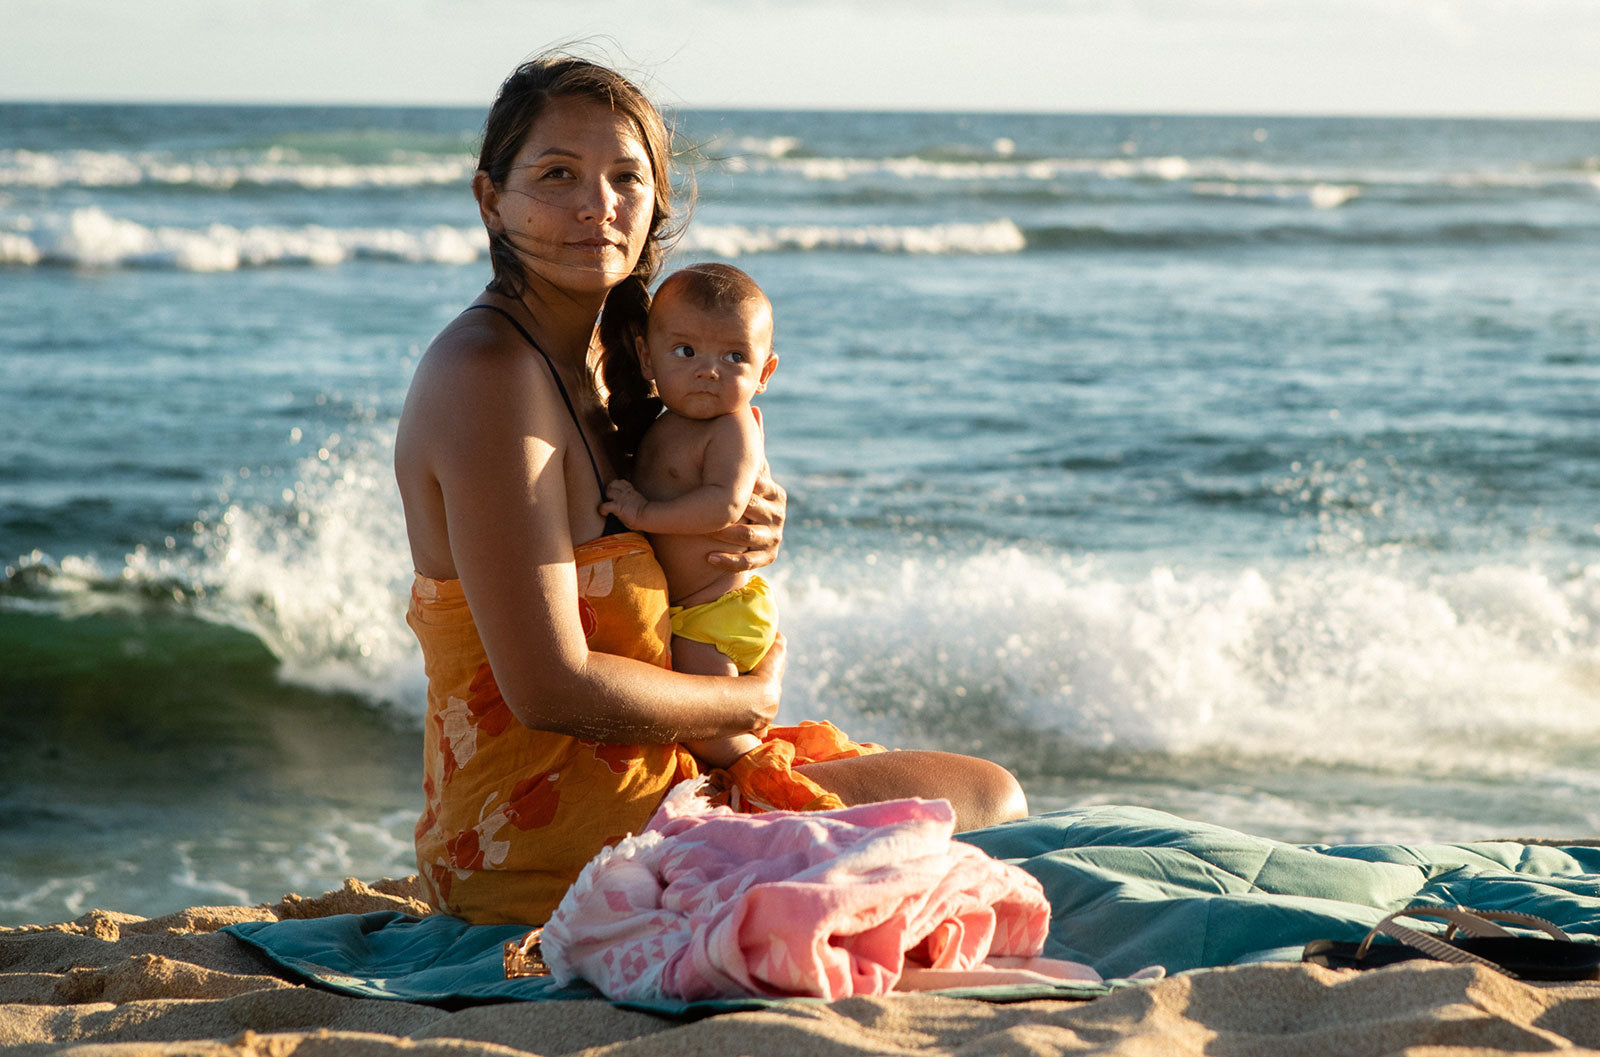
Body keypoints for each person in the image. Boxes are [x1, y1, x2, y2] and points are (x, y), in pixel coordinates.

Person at [393, 53, 1028, 926]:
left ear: (657, 200)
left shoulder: (620, 367)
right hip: (542, 838)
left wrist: (738, 524)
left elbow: (652, 551)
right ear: (489, 199)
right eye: (557, 175)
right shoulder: (489, 373)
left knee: (985, 798)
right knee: (987, 804)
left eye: (626, 177)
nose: (597, 204)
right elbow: (547, 686)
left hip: (660, 774)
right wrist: (750, 699)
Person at [599, 263, 780, 770]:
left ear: (764, 373)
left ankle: (766, 787)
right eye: (686, 352)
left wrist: (644, 513)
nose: (709, 370)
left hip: (714, 613)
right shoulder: (667, 423)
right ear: (647, 358)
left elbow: (723, 505)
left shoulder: (732, 428)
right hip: (695, 610)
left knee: (716, 739)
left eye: (735, 356)